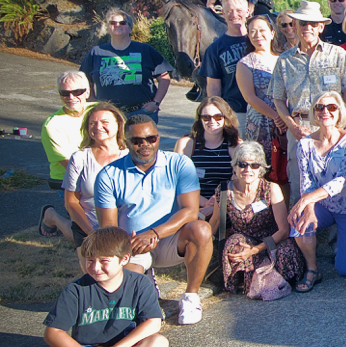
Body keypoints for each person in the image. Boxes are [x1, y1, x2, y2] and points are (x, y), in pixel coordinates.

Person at [95, 115, 211, 324]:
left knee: (201, 229)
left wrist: (154, 233)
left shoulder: (179, 164)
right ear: (125, 141)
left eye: (151, 138)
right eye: (137, 140)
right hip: (132, 244)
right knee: (132, 309)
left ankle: (191, 297)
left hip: (171, 239)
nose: (145, 144)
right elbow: (108, 227)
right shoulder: (108, 175)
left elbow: (190, 211)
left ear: (158, 138)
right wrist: (127, 244)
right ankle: (145, 280)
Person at [35, 226, 167, 347]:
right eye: (90, 260)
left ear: (124, 259)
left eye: (104, 261)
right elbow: (53, 332)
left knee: (159, 344)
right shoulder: (76, 290)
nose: (96, 267)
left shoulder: (140, 283)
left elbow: (153, 323)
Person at [269, 0, 346, 203]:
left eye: (312, 24)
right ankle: (302, 229)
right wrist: (292, 127)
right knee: (299, 181)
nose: (307, 28)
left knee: (337, 182)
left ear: (321, 27)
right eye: (302, 23)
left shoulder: (338, 54)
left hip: (333, 127)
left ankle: (337, 231)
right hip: (299, 128)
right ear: (295, 26)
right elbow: (278, 98)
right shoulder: (285, 60)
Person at [288, 91, 346, 288]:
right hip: (322, 205)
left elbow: (341, 181)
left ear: (339, 112)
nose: (325, 112)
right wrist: (309, 209)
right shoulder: (304, 144)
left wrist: (305, 200)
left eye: (331, 107)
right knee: (300, 223)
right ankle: (313, 269)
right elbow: (307, 182)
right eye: (319, 107)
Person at [213, 141, 304, 295]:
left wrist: (256, 249)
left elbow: (283, 230)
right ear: (234, 166)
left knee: (286, 251)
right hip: (244, 237)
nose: (248, 169)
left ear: (261, 168)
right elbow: (215, 222)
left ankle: (273, 281)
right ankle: (243, 283)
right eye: (242, 164)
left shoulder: (271, 189)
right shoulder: (224, 191)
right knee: (234, 246)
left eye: (254, 165)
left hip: (272, 238)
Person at [48, 103, 127, 250]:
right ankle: (53, 217)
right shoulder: (79, 158)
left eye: (104, 122)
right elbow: (71, 202)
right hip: (88, 227)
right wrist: (92, 233)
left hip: (127, 229)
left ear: (118, 125)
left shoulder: (130, 157)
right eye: (93, 123)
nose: (98, 127)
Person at [79, 9, 173, 121]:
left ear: (130, 28)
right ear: (108, 28)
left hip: (141, 113)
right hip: (109, 115)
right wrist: (93, 103)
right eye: (113, 23)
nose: (117, 25)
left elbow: (164, 78)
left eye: (122, 23)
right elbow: (84, 80)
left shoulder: (144, 49)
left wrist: (155, 103)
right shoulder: (96, 52)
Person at [174, 96, 241, 219]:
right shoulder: (186, 144)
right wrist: (205, 203)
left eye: (217, 117)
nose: (212, 121)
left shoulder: (235, 146)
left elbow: (237, 181)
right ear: (200, 119)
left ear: (226, 118)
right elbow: (178, 182)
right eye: (206, 117)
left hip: (225, 203)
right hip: (191, 202)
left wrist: (215, 204)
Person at [40, 70, 96, 199]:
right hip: (69, 178)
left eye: (77, 92)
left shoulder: (100, 111)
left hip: (100, 172)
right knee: (88, 218)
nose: (71, 97)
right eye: (64, 93)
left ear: (87, 92)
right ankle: (51, 217)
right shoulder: (52, 125)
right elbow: (68, 163)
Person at [199, 0, 251, 124]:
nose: (234, 15)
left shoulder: (259, 40)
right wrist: (217, 113)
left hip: (264, 110)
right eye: (229, 11)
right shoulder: (215, 49)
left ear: (248, 12)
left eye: (239, 11)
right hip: (235, 113)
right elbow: (213, 87)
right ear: (223, 13)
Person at [235, 15, 284, 149]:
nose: (258, 35)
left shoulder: (284, 59)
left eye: (262, 30)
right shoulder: (245, 63)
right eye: (252, 31)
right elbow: (249, 97)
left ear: (272, 33)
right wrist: (276, 117)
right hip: (261, 122)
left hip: (286, 119)